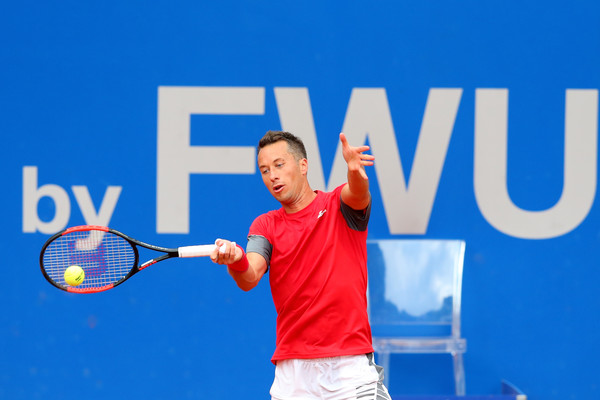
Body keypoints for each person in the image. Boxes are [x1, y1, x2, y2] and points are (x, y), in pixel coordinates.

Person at [210, 130, 391, 400]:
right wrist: (236, 260)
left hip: (349, 370)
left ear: (303, 165)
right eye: (264, 170)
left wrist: (354, 170)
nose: (272, 175)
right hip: (294, 377)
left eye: (279, 165)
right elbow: (250, 275)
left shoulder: (338, 205)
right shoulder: (266, 225)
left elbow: (358, 192)